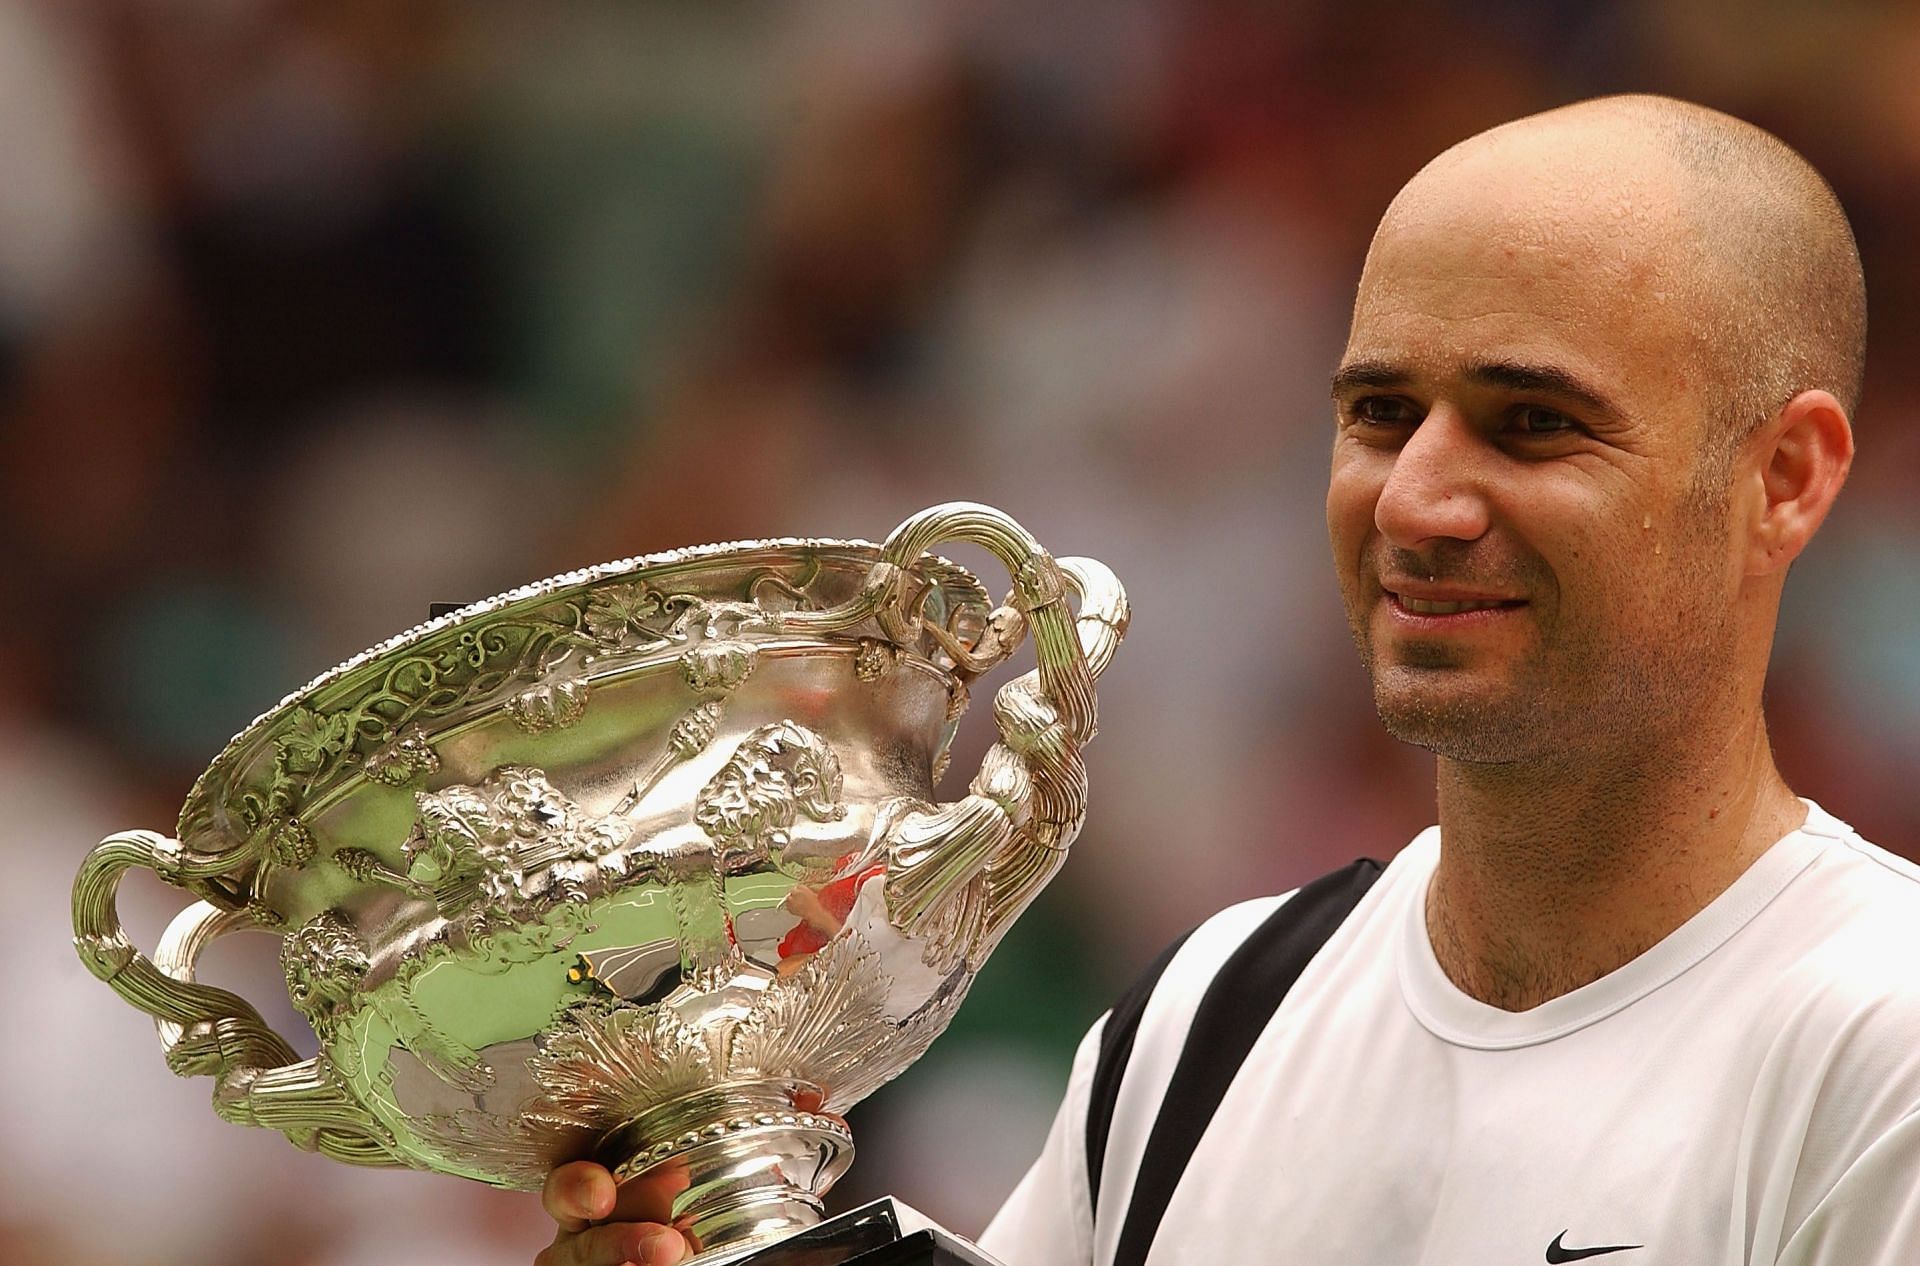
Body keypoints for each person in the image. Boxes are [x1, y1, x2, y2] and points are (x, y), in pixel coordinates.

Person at [532, 94, 1920, 1266]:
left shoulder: (1885, 1042)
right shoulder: (1215, 1008)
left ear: (1783, 478)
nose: (1417, 497)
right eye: (1382, 414)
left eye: (1534, 423)